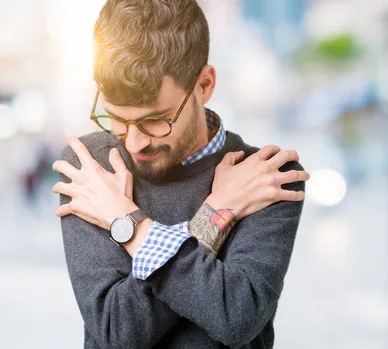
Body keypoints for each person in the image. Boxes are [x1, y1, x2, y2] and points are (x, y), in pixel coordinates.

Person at [52, 1, 309, 348]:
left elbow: (236, 318)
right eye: (117, 119)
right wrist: (215, 213)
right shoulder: (93, 165)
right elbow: (116, 332)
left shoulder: (265, 176)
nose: (135, 142)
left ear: (204, 85)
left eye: (155, 119)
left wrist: (127, 224)